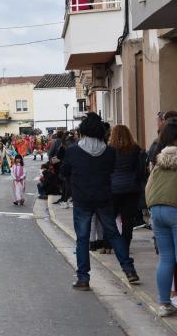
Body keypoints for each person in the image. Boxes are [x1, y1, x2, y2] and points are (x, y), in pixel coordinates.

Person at [61, 113, 139, 290]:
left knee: (82, 238)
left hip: (82, 199)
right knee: (113, 233)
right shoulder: (109, 152)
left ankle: (83, 279)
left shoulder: (73, 151)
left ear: (83, 130)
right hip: (104, 197)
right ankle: (129, 269)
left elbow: (64, 171)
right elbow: (111, 170)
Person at [145, 122, 177, 317]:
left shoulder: (158, 161)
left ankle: (164, 304)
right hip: (175, 208)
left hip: (156, 209)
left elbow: (148, 187)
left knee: (166, 258)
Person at [107, 125, 145, 253]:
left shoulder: (109, 150)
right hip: (131, 189)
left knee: (110, 218)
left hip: (113, 188)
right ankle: (125, 246)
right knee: (128, 220)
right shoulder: (136, 149)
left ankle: (109, 244)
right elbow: (140, 170)